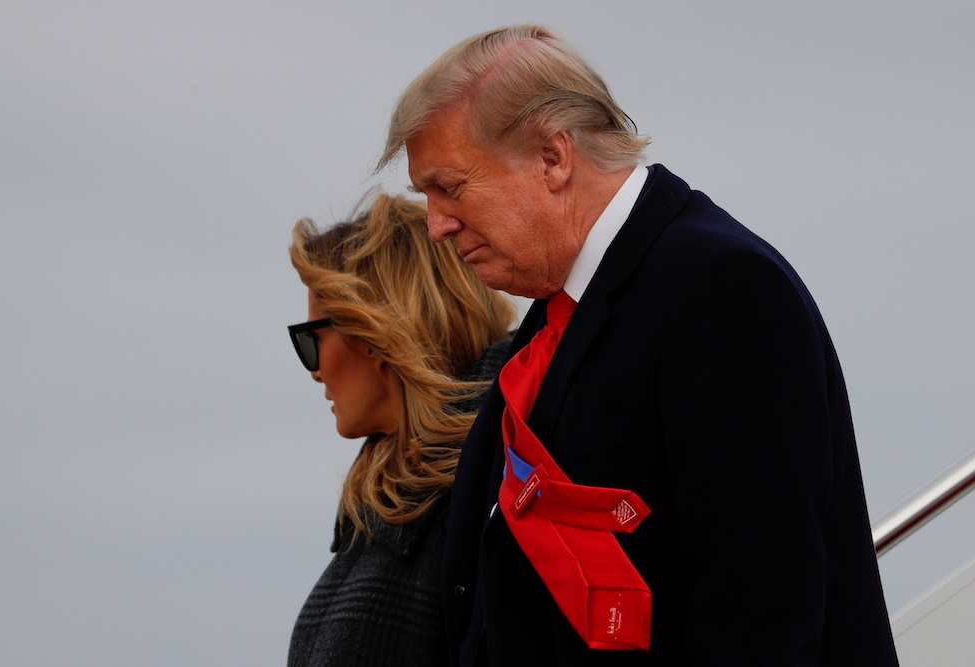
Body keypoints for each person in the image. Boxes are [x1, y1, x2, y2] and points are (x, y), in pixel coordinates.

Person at [378, 25, 899, 666]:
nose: (435, 225)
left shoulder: (721, 288)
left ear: (553, 157)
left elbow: (761, 605)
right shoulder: (554, 318)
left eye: (450, 187)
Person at [285, 193, 515, 667]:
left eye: (311, 340)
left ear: (371, 335)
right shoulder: (382, 510)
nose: (313, 371)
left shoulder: (498, 484)